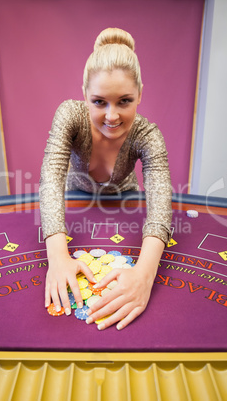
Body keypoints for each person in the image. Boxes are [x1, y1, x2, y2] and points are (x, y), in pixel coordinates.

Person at [39, 27, 172, 330]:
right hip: (76, 198)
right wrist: (58, 257)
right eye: (99, 102)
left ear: (140, 94)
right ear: (85, 95)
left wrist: (144, 275)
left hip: (125, 200)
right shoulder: (69, 115)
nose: (112, 116)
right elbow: (51, 178)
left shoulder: (149, 135)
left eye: (124, 101)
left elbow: (161, 204)